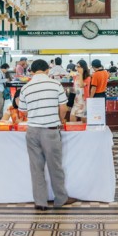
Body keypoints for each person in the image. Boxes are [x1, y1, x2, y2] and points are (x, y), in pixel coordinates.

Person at [18, 59, 76, 210]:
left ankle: (40, 202)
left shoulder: (26, 87)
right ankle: (60, 199)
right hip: (50, 130)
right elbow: (63, 108)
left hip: (32, 131)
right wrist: (60, 120)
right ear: (46, 70)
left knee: (36, 168)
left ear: (32, 71)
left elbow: (22, 111)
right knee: (55, 166)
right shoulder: (55, 84)